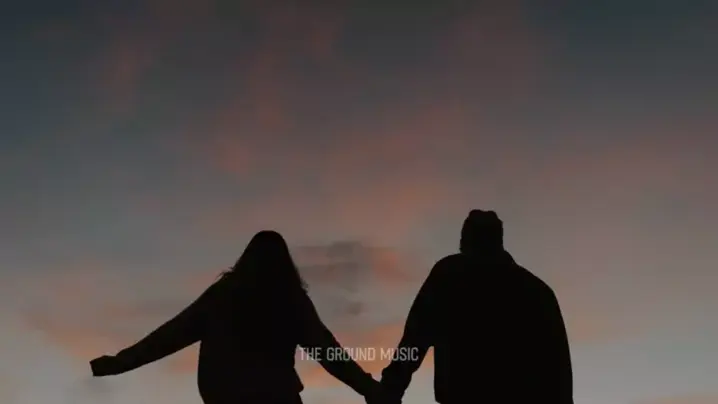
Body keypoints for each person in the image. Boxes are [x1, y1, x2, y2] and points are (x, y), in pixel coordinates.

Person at [90, 230, 382, 404]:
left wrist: (120, 362)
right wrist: (369, 389)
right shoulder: (285, 299)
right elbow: (329, 352)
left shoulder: (228, 295)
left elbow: (171, 334)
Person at [378, 209, 574, 404]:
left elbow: (415, 338)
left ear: (464, 240)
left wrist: (391, 386)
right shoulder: (537, 292)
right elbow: (559, 371)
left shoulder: (448, 276)